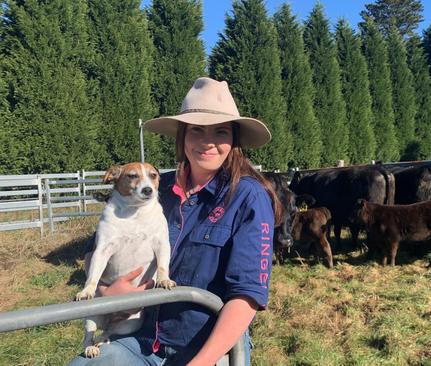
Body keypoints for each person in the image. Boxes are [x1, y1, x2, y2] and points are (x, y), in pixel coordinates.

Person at [69, 77, 281, 366]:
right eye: (196, 131)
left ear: (233, 141)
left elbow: (248, 295)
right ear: (182, 136)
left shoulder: (247, 197)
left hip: (208, 345)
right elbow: (96, 249)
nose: (207, 142)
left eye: (220, 132)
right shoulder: (157, 189)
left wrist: (201, 362)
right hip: (138, 336)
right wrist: (108, 292)